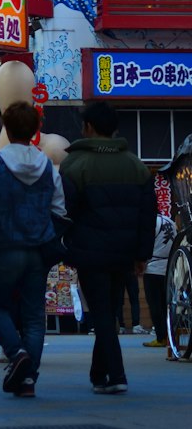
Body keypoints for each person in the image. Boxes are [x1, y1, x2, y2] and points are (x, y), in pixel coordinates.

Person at [60, 100, 156, 394]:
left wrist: (64, 246)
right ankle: (98, 374)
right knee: (109, 311)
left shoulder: (75, 164)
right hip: (125, 252)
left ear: (88, 127)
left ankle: (117, 375)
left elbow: (65, 211)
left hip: (90, 251)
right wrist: (142, 254)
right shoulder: (136, 165)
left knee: (102, 313)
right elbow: (147, 214)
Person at [0, 102, 66, 398]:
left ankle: (16, 355)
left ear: (7, 127)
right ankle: (28, 380)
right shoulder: (47, 167)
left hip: (5, 246)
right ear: (34, 130)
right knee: (33, 315)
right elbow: (59, 209)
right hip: (39, 249)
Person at [143, 210, 177, 349]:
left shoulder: (150, 222)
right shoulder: (171, 222)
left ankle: (161, 336)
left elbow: (145, 244)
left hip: (153, 267)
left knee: (155, 305)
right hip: (169, 266)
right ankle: (170, 334)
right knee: (166, 304)